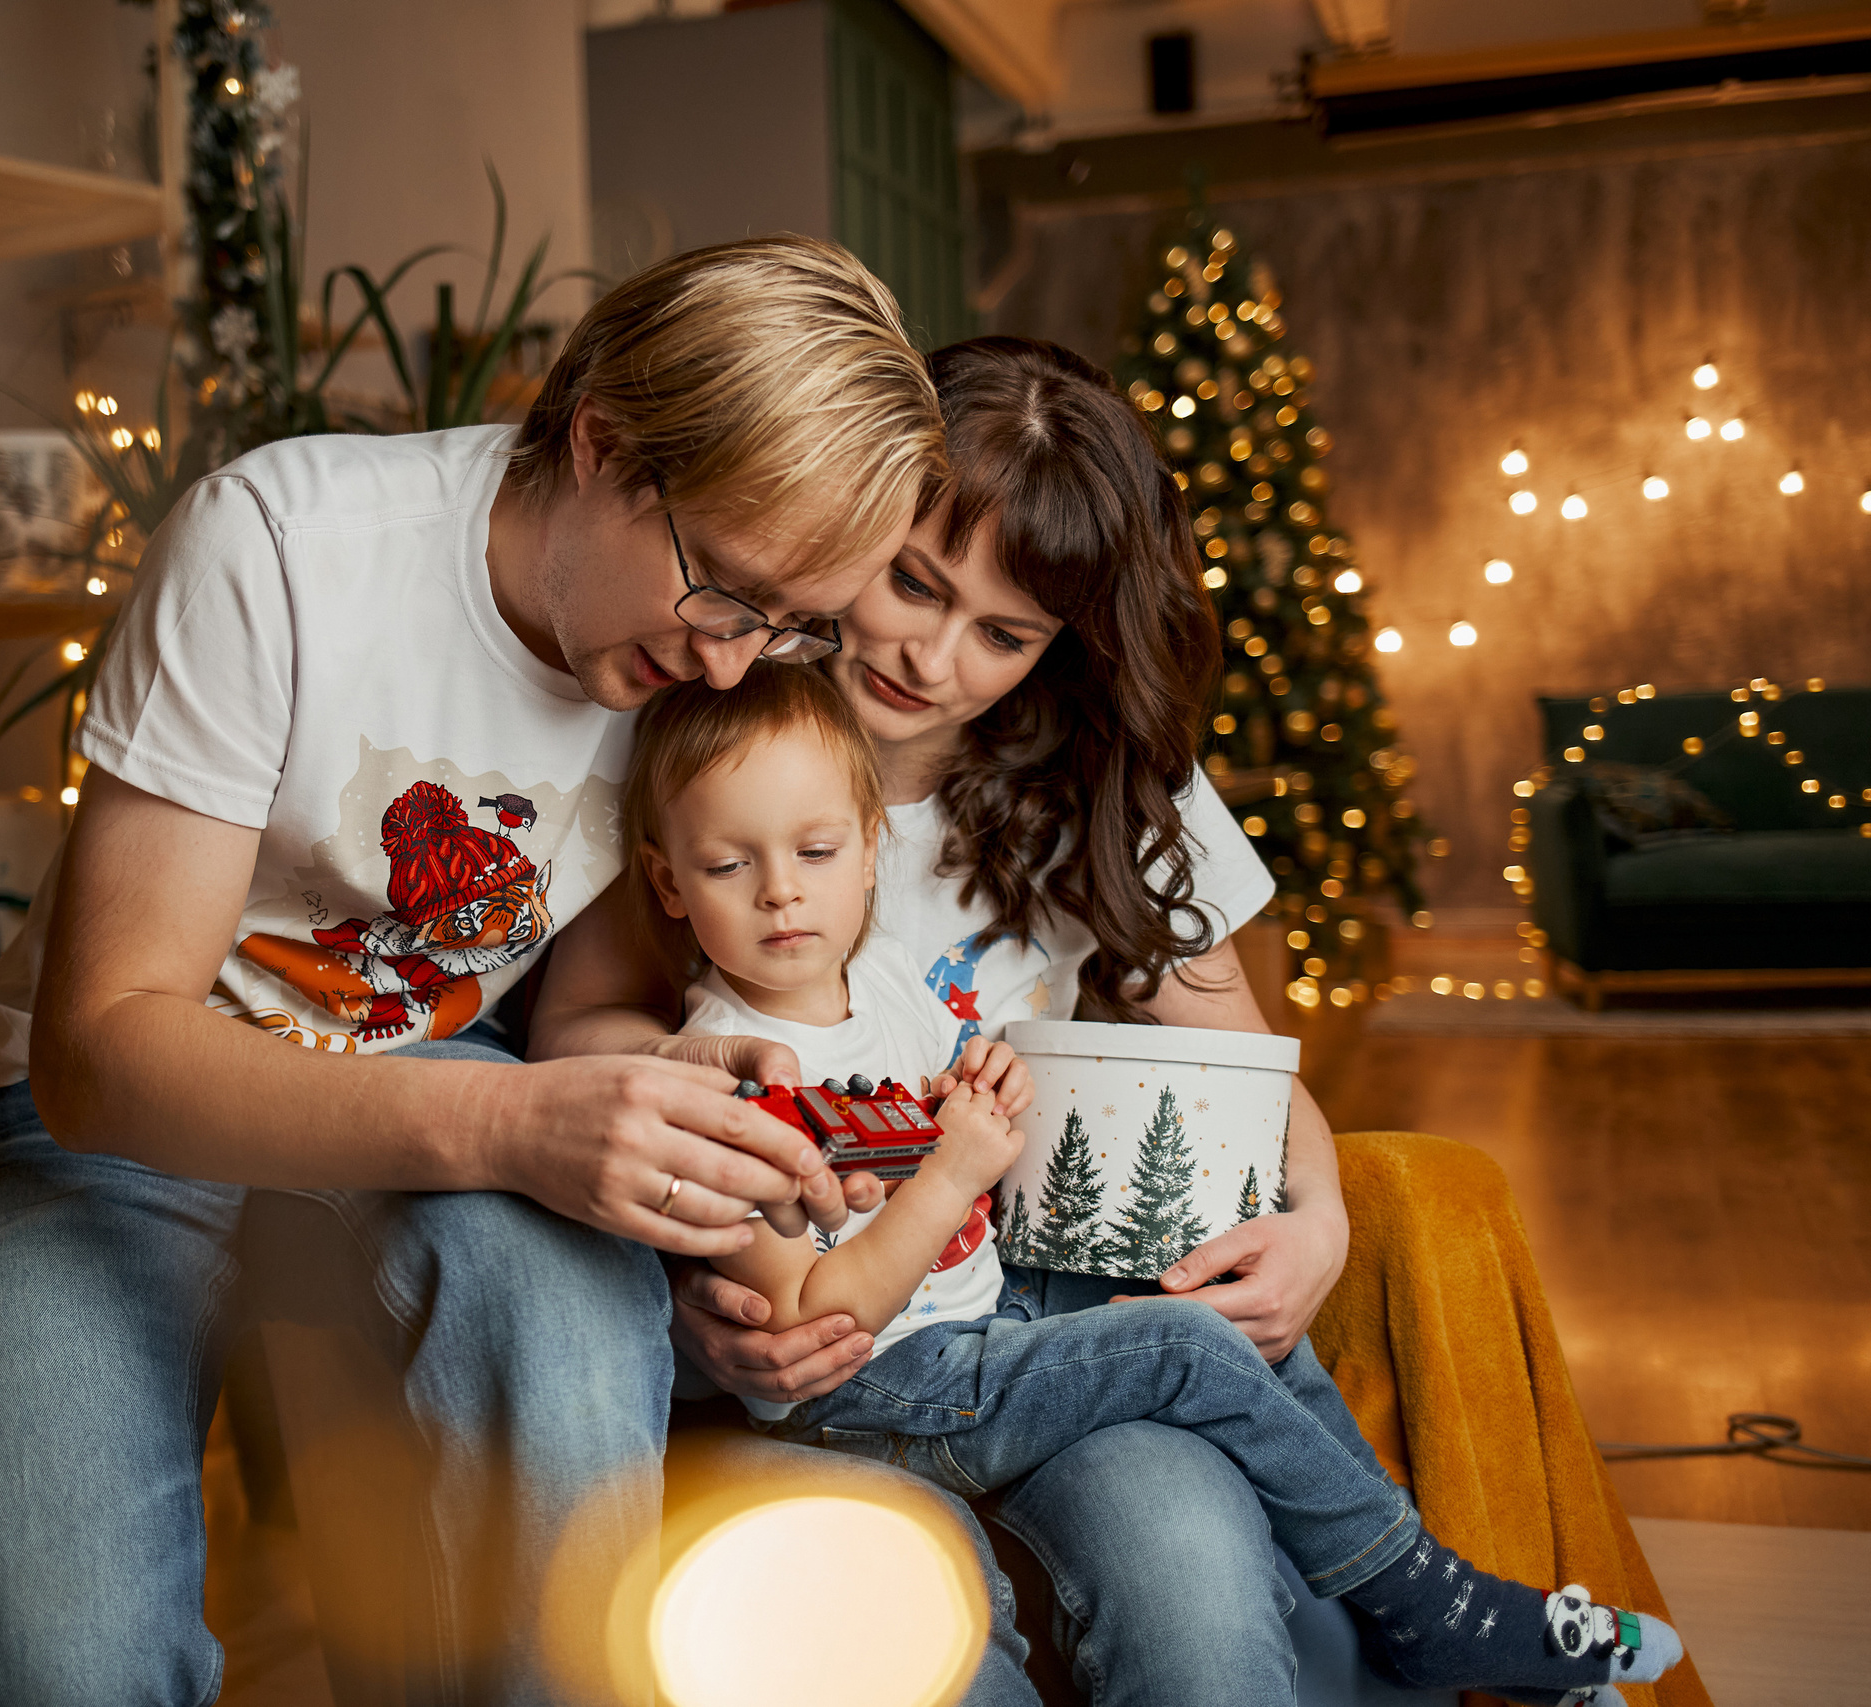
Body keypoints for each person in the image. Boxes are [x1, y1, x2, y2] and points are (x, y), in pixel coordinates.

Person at [0, 237, 1047, 1707]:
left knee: (571, 1354)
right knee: (69, 1666)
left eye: (789, 624)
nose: (733, 666)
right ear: (602, 444)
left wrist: (665, 1098)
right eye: (725, 593)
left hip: (434, 1100)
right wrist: (518, 1120)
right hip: (118, 1124)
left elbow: (577, 1000)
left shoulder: (685, 654)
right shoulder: (278, 548)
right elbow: (100, 1051)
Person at [533, 335, 1407, 1704]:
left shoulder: (1104, 779)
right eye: (911, 584)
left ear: (1062, 641)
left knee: (1202, 1610)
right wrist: (718, 1243)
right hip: (809, 1356)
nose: (930, 658)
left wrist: (1322, 1212)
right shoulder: (704, 730)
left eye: (1001, 633)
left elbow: (1239, 1069)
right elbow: (570, 1036)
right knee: (914, 1649)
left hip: (1050, 1340)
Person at [623, 667, 1682, 1706]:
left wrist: (973, 1083)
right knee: (1182, 1346)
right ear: (669, 880)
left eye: (814, 851)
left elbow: (927, 1113)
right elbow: (812, 1325)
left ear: (869, 852)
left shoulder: (879, 969)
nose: (780, 891)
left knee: (1192, 1294)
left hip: (977, 1320)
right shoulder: (725, 1073)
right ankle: (1422, 1603)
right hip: (872, 1393)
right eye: (727, 865)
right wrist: (953, 1177)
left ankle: (1418, 1594)